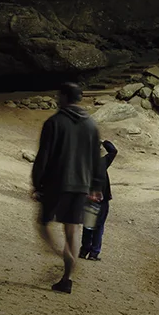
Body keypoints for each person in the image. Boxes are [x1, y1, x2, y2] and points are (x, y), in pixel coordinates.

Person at [30, 83, 105, 293]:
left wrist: (37, 183)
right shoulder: (91, 125)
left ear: (63, 96)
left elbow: (43, 156)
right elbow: (96, 158)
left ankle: (61, 254)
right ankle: (66, 278)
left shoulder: (54, 122)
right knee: (71, 231)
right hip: (81, 185)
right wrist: (96, 185)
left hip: (57, 183)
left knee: (43, 223)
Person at [77, 136, 119, 261]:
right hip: (101, 200)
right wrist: (103, 141)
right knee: (99, 227)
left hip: (88, 199)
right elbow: (113, 151)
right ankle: (94, 253)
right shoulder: (102, 162)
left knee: (88, 226)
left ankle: (84, 251)